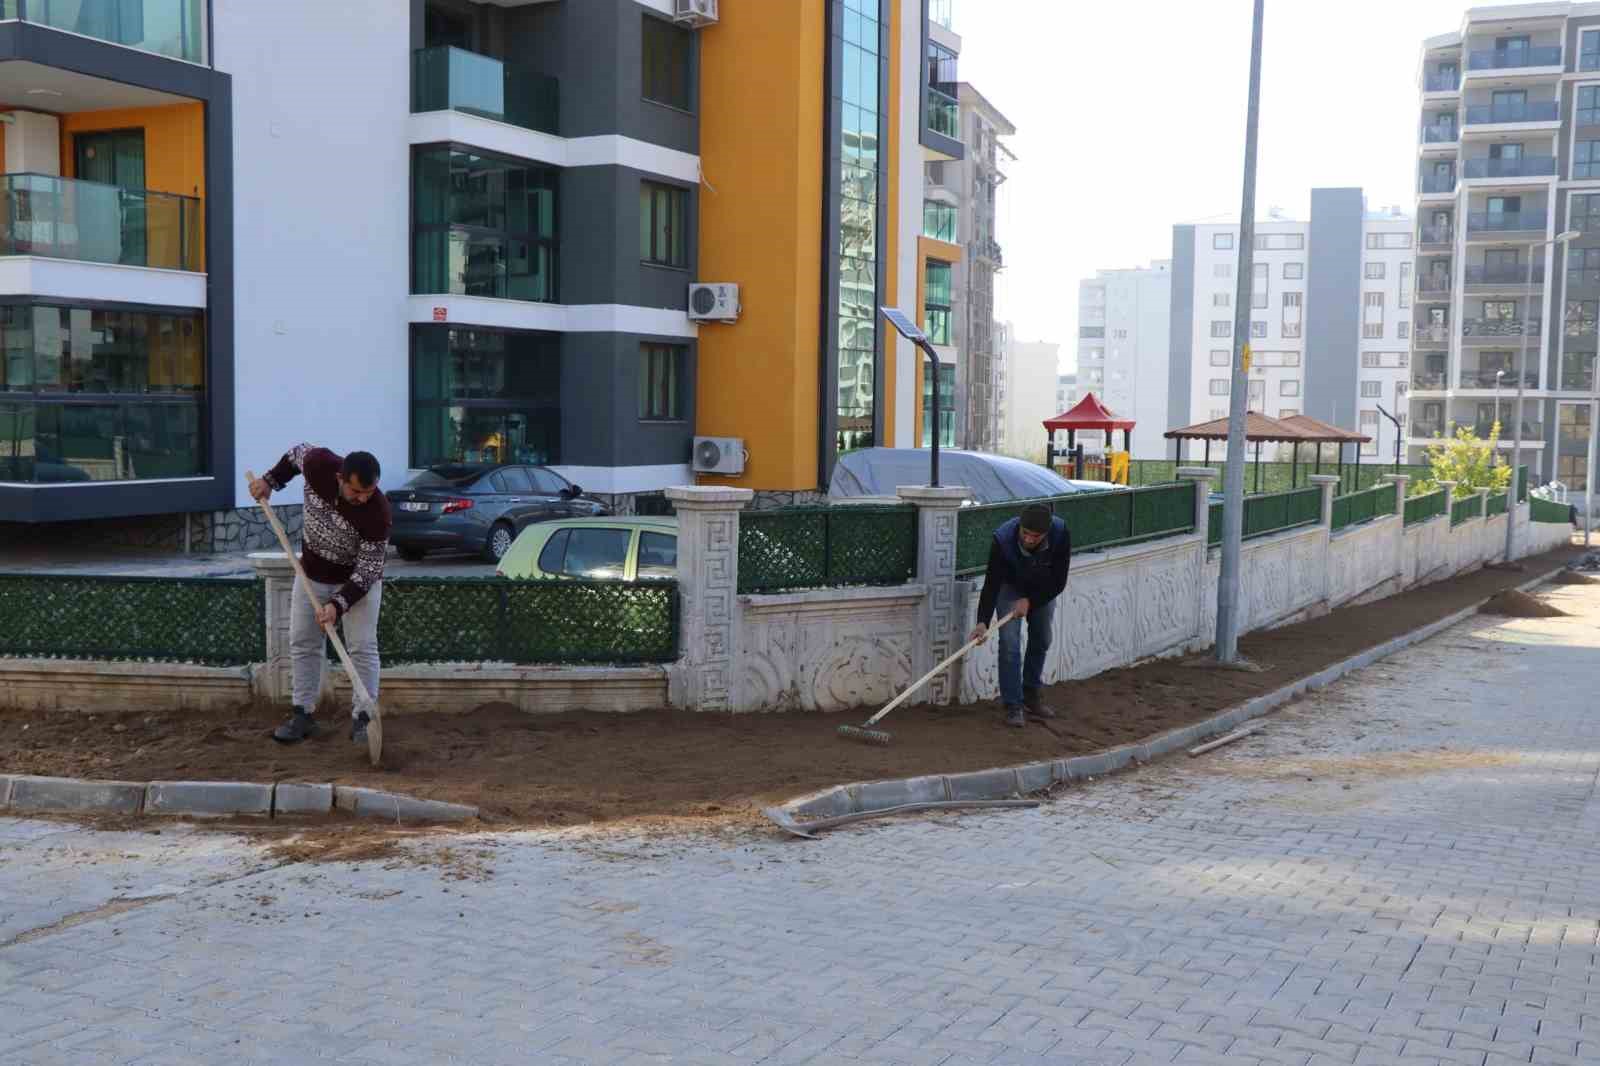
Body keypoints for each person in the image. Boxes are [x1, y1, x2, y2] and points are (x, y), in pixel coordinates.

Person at [249, 444, 390, 746]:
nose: (363, 498)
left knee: (362, 647)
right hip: (312, 574)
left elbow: (367, 570)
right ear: (340, 478)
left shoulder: (378, 512)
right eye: (356, 492)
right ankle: (303, 714)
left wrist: (338, 605)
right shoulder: (318, 464)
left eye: (369, 491)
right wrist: (269, 482)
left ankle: (364, 719)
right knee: (303, 641)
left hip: (356, 583)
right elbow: (295, 453)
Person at [969, 502, 1072, 728]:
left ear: (1046, 533)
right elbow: (992, 583)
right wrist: (982, 622)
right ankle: (1013, 705)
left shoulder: (1060, 533)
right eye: (1025, 533)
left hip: (1043, 587)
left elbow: (1059, 581)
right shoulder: (1003, 538)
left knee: (1042, 637)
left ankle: (1031, 694)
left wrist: (1031, 600)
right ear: (1020, 526)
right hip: (1009, 587)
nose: (1028, 539)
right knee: (1009, 643)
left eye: (1035, 536)